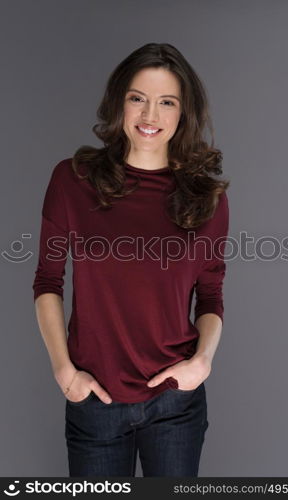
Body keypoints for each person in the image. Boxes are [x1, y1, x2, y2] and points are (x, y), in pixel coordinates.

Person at [32, 42, 230, 477]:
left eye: (166, 103)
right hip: (95, 400)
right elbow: (48, 280)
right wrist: (64, 371)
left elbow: (211, 294)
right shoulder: (72, 180)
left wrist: (202, 362)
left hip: (175, 403)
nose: (150, 116)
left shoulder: (206, 199)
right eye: (137, 98)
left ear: (183, 113)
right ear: (119, 101)